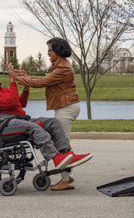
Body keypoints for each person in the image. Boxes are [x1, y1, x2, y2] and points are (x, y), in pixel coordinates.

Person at [14, 37, 85, 191]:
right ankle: (67, 178)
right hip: (65, 106)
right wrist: (23, 77)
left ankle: (66, 181)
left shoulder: (63, 68)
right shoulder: (58, 66)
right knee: (61, 142)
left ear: (58, 51)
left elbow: (42, 83)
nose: (47, 53)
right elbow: (43, 79)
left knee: (61, 144)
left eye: (50, 50)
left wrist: (20, 79)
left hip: (67, 107)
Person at [0, 64, 92, 175]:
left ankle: (66, 154)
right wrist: (12, 81)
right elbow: (13, 102)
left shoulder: (4, 90)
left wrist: (26, 86)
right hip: (6, 122)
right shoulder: (7, 88)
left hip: (19, 118)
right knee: (34, 127)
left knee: (52, 122)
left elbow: (21, 103)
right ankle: (56, 158)